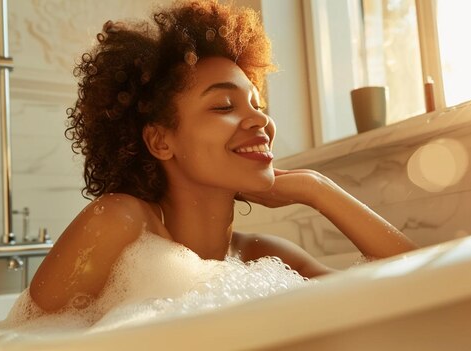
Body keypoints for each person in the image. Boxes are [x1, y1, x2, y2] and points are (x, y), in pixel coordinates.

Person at [29, 0, 417, 315]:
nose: (261, 119)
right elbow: (29, 338)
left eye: (257, 102)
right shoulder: (121, 221)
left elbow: (422, 292)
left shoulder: (262, 258)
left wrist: (318, 189)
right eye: (223, 105)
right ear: (160, 141)